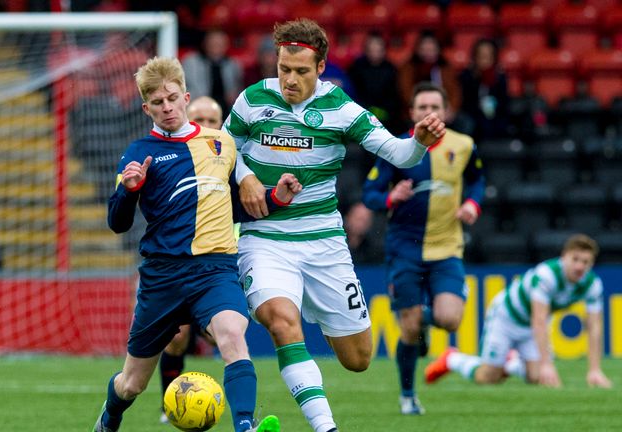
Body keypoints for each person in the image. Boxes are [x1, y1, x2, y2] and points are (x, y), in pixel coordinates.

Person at [226, 19, 446, 432]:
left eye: (301, 72)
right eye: (283, 69)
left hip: (323, 242)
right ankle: (326, 427)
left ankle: (318, 309)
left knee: (358, 359)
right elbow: (222, 150)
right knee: (280, 321)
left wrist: (418, 140)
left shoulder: (341, 108)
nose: (289, 80)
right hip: (265, 239)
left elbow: (400, 155)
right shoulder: (251, 100)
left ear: (322, 67)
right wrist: (246, 177)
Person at [92, 57, 301, 432]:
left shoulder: (223, 143)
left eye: (172, 98)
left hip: (215, 269)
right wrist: (128, 191)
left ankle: (243, 426)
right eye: (158, 103)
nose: (167, 107)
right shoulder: (138, 152)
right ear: (146, 108)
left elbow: (238, 207)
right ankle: (108, 420)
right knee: (131, 384)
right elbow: (117, 223)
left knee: (233, 336)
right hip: (163, 275)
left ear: (185, 96)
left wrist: (277, 198)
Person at [362, 82, 484, 415]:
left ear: (446, 113)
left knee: (450, 319)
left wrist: (473, 203)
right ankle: (407, 395)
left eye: (435, 107)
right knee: (410, 329)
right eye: (422, 108)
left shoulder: (464, 145)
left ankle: (425, 320)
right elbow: (369, 193)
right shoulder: (397, 147)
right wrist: (390, 197)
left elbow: (476, 179)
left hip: (446, 248)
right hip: (405, 250)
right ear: (412, 113)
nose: (429, 113)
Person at [425, 234, 613, 389]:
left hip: (530, 326)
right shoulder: (546, 275)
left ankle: (511, 361)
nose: (580, 266)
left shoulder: (591, 284)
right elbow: (539, 319)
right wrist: (547, 364)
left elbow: (594, 326)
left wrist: (594, 369)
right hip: (505, 318)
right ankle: (452, 358)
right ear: (564, 256)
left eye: (586, 262)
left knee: (537, 378)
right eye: (575, 259)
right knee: (488, 377)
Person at [156, 95, 224, 424]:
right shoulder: (169, 161)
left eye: (212, 121)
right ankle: (170, 405)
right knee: (177, 336)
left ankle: (240, 408)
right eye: (199, 118)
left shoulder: (231, 160)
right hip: (178, 265)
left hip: (221, 267)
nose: (206, 126)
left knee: (223, 334)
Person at [397, 31, 461, 124]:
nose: (428, 52)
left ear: (438, 50)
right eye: (424, 49)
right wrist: (420, 110)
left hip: (442, 111)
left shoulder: (445, 68)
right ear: (418, 50)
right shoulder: (408, 68)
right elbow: (406, 93)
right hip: (417, 111)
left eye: (431, 49)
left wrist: (451, 110)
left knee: (465, 123)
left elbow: (455, 92)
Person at [347, 32, 402, 134]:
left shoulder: (391, 69)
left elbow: (395, 96)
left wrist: (382, 112)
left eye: (378, 48)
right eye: (372, 48)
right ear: (366, 49)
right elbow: (352, 93)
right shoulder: (356, 68)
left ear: (384, 50)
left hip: (388, 118)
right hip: (360, 115)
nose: (375, 51)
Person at [458, 38, 510, 142]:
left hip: (495, 115)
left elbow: (504, 102)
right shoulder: (466, 75)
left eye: (488, 56)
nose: (485, 59)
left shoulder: (499, 76)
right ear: (475, 56)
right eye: (481, 55)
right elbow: (464, 102)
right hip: (472, 115)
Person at [182, 30, 243, 114]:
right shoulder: (191, 62)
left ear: (226, 45)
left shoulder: (233, 64)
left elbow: (236, 89)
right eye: (213, 43)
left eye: (220, 44)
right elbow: (187, 87)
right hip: (197, 107)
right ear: (205, 44)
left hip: (226, 109)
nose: (216, 46)